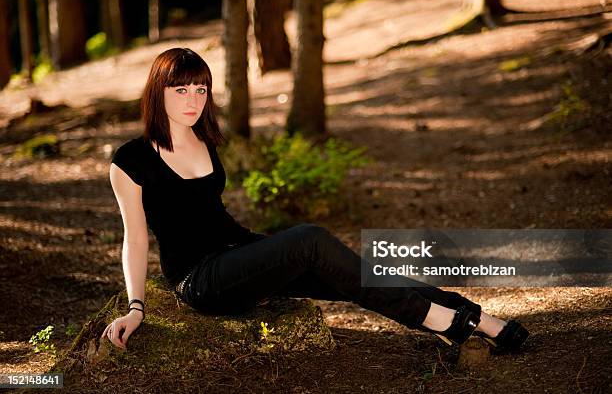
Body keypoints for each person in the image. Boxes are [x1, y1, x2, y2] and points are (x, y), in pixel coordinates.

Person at [101, 47, 529, 353]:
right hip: (200, 279)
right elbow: (135, 239)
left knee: (351, 272)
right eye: (181, 90)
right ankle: (436, 320)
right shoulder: (131, 159)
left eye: (201, 89)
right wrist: (136, 307)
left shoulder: (205, 142)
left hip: (240, 252)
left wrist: (260, 247)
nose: (193, 100)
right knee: (310, 238)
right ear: (158, 92)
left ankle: (471, 318)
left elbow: (214, 218)